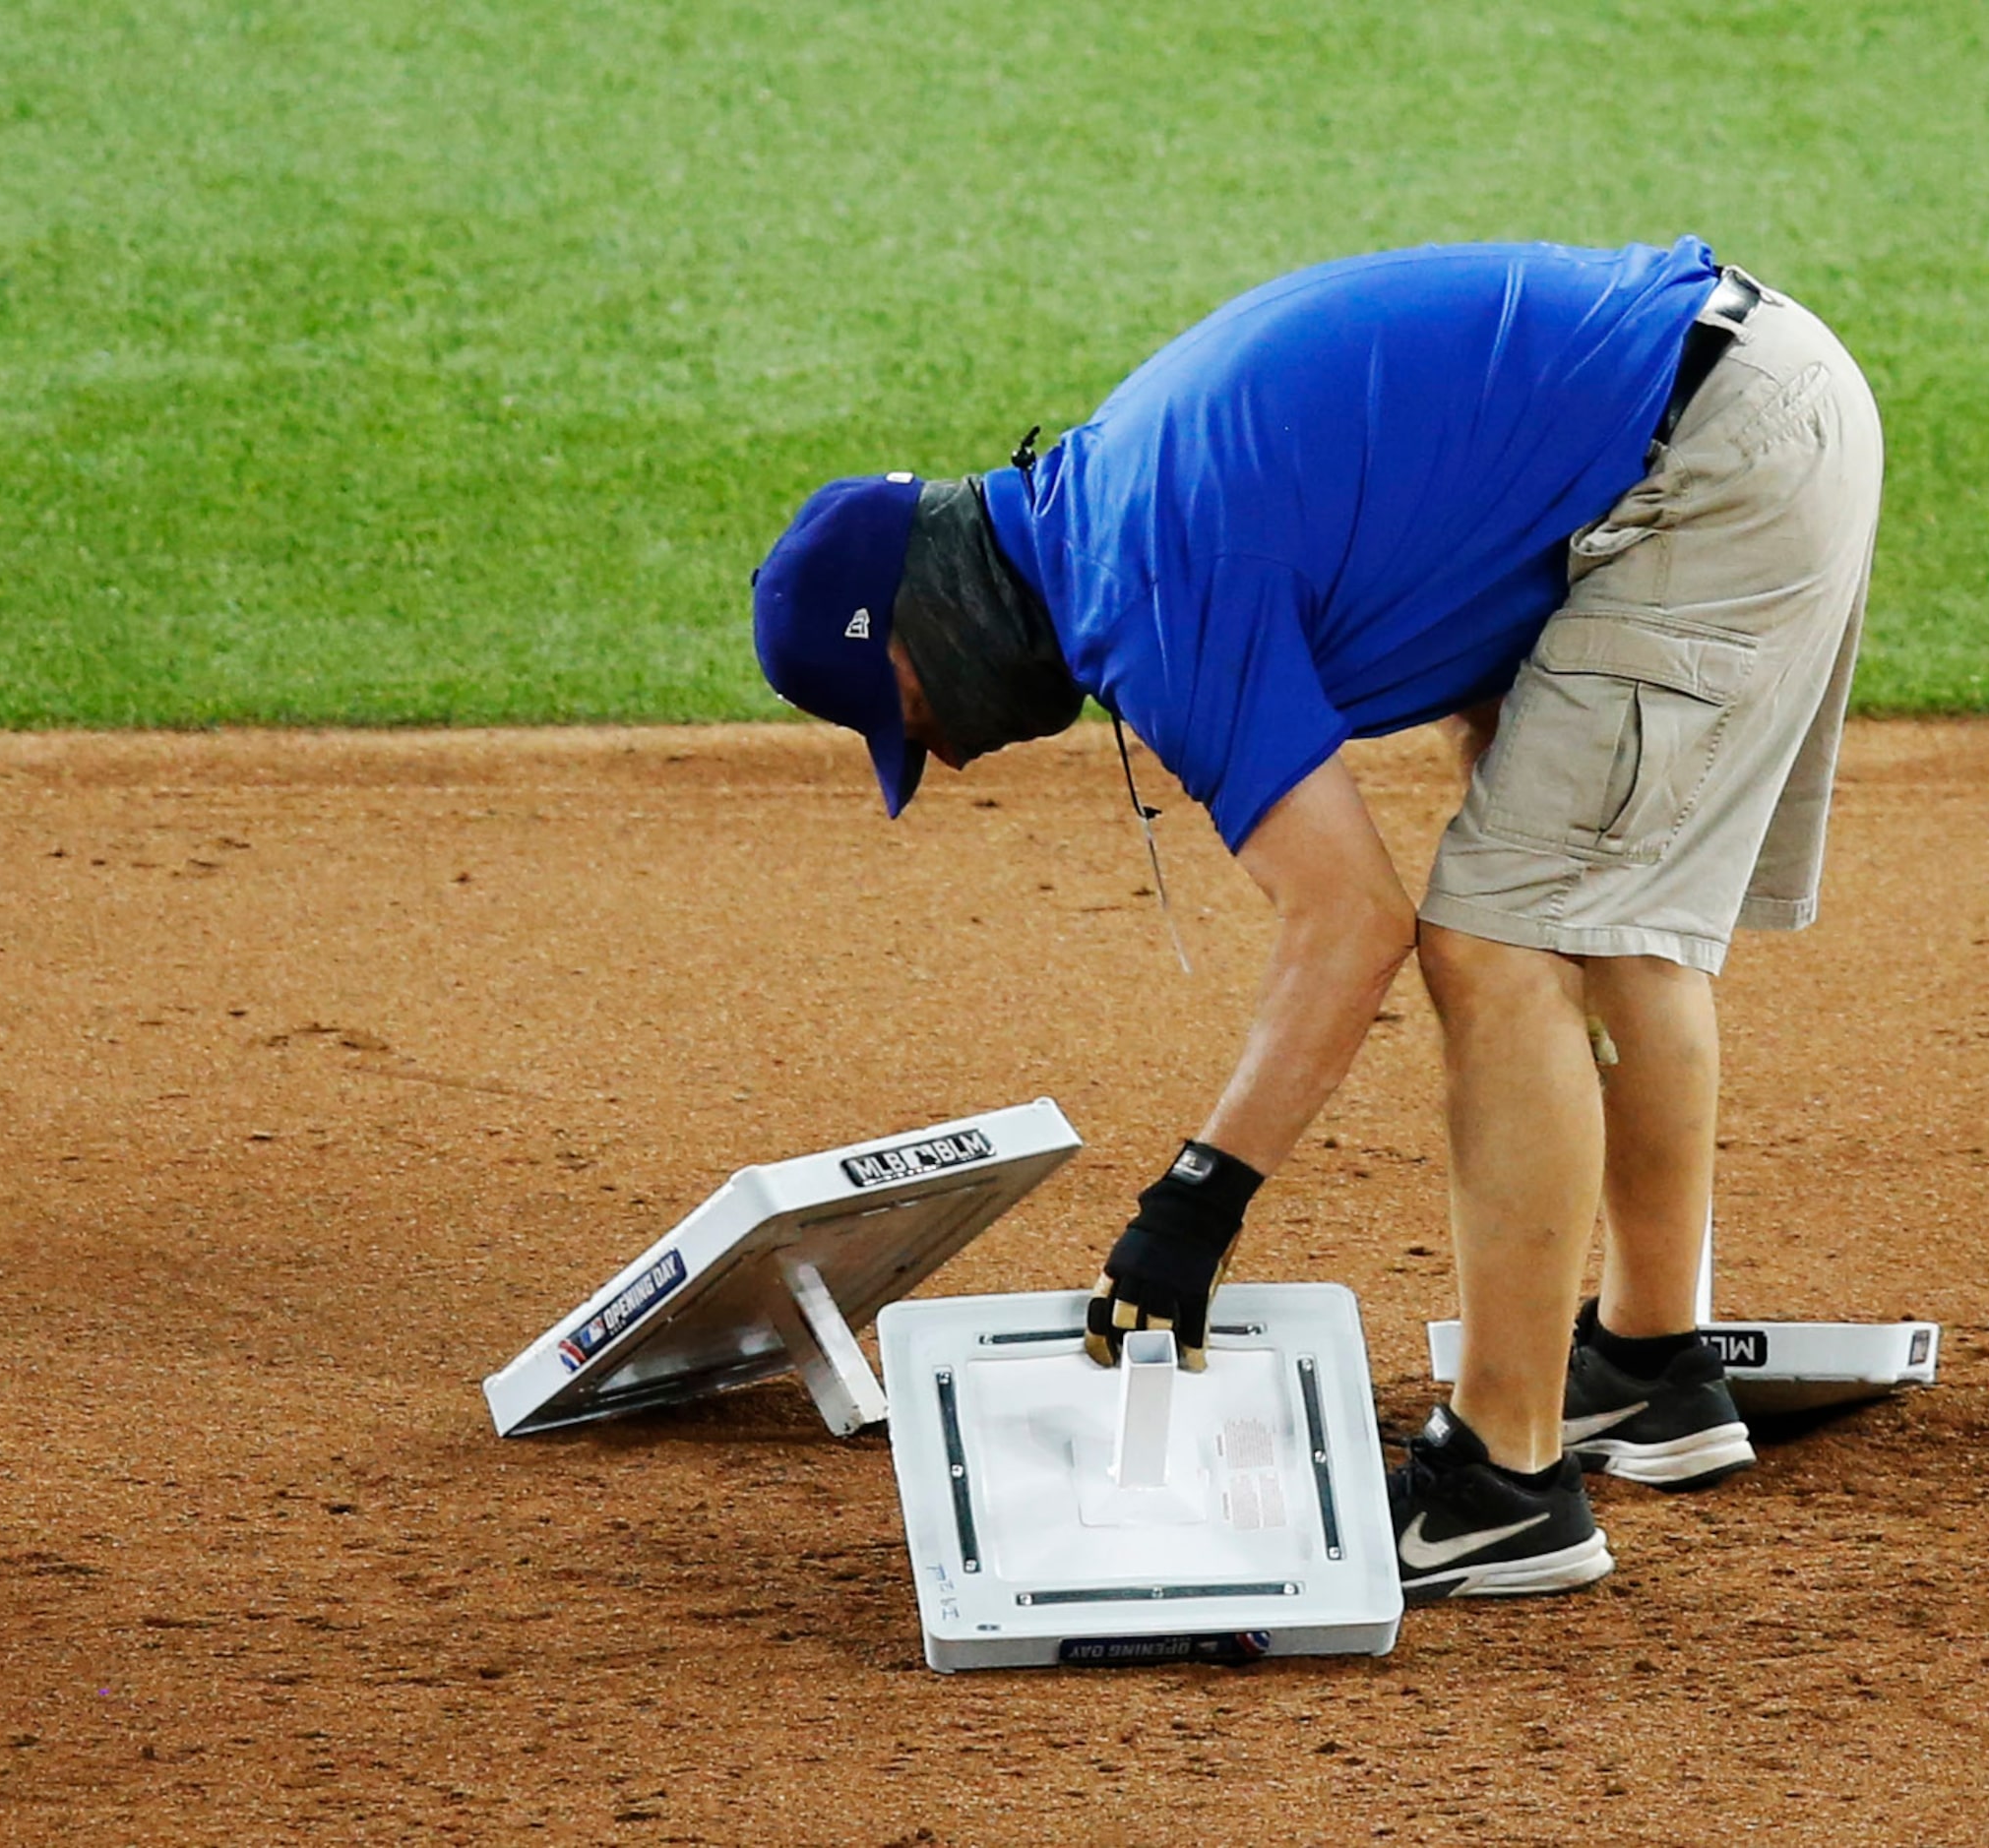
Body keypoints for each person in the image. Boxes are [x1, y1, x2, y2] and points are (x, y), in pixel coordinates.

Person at [750, 237, 1882, 1601]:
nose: (961, 753)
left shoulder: (1140, 581)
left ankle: (1504, 1480)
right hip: (1733, 400)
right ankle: (1649, 1369)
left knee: (1500, 939)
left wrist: (1196, 1199)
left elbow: (1350, 924)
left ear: (922, 624)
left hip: (1703, 458)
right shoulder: (1120, 502)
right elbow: (1473, 560)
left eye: (917, 716)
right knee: (1597, 914)